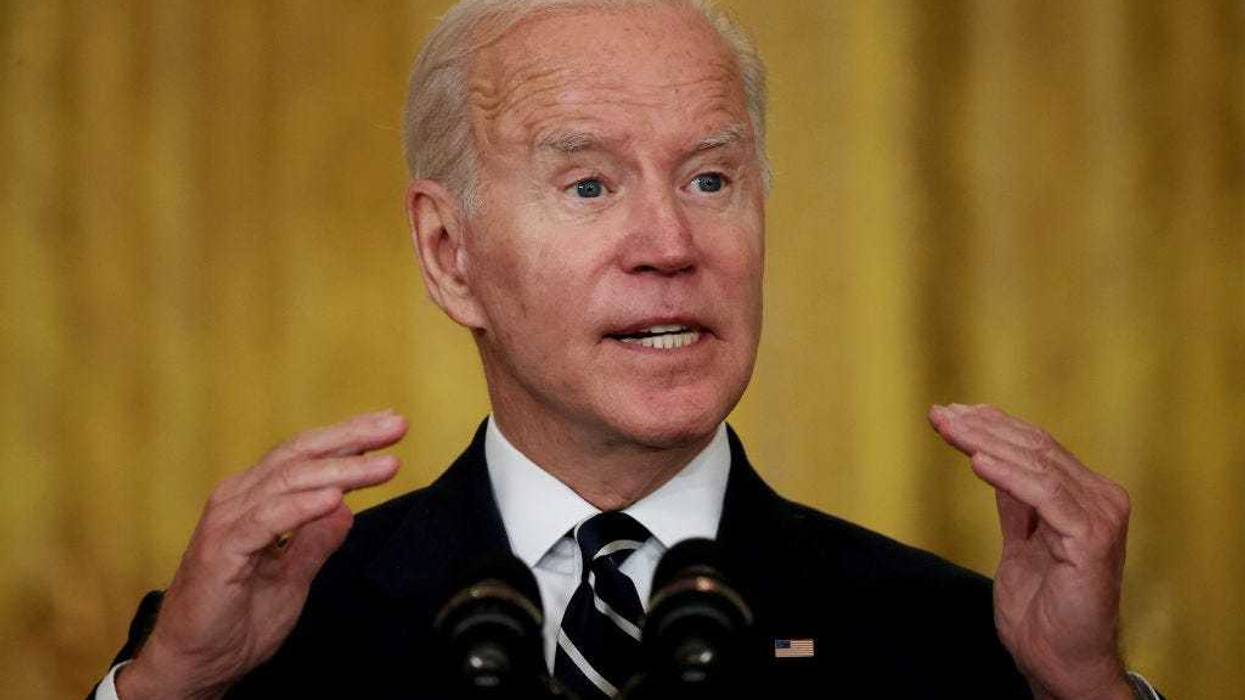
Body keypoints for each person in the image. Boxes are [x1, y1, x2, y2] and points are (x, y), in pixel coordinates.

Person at [92, 1, 1163, 698]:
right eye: (590, 184)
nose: (670, 245)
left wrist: (1088, 688)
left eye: (710, 179)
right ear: (449, 249)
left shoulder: (959, 645)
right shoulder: (263, 643)